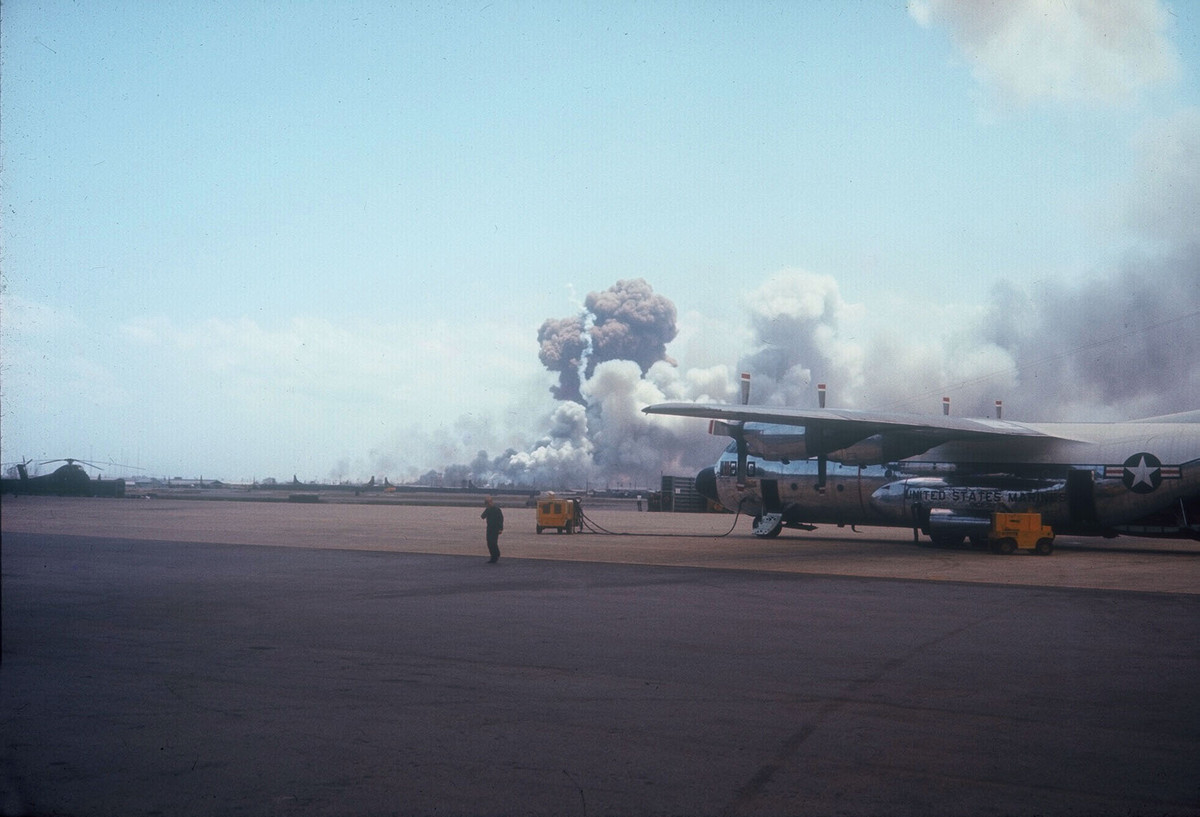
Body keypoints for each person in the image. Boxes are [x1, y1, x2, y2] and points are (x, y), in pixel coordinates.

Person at [481, 496, 504, 563]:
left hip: (495, 528)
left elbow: (501, 519)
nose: (488, 505)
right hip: (489, 528)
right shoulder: (488, 509)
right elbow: (482, 516)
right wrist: (487, 509)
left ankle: (496, 555)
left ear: (491, 502)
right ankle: (493, 556)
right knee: (489, 543)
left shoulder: (497, 509)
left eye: (488, 503)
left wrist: (500, 528)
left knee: (493, 542)